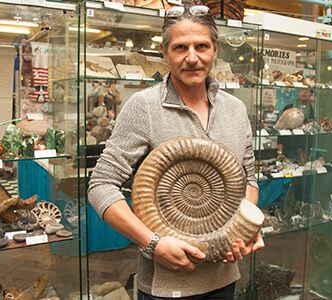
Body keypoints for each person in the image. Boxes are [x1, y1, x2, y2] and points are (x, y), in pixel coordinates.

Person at [88, 4, 264, 299]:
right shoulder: (144, 106)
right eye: (181, 47)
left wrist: (246, 230)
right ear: (164, 51)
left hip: (225, 277)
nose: (192, 58)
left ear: (215, 48)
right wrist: (152, 242)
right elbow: (101, 185)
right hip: (167, 287)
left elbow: (249, 178)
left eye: (201, 46)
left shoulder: (235, 109)